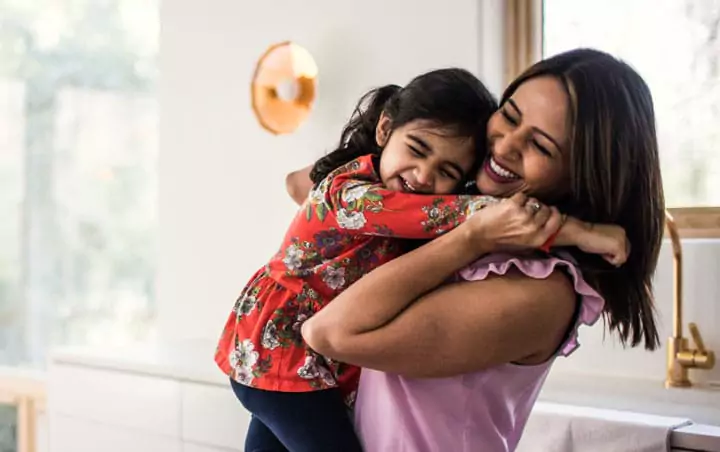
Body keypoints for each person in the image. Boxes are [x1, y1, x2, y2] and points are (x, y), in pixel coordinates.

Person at [216, 67, 629, 452]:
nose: (424, 176)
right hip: (279, 347)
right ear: (384, 129)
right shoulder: (358, 194)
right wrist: (583, 231)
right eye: (509, 116)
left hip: (295, 355)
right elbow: (462, 214)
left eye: (447, 169)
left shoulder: (534, 285)